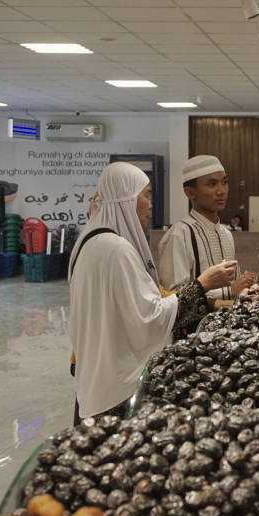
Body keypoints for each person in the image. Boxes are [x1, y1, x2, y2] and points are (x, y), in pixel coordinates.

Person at [69, 163, 237, 420]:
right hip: (117, 384)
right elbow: (149, 319)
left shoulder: (90, 240)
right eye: (145, 195)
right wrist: (202, 286)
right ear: (127, 199)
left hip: (96, 372)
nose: (150, 204)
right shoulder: (116, 249)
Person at [158, 156, 256, 306]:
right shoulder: (179, 234)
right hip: (195, 328)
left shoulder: (226, 233)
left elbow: (234, 287)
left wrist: (245, 283)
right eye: (212, 184)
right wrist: (228, 291)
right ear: (190, 192)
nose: (222, 191)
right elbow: (172, 298)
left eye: (225, 182)